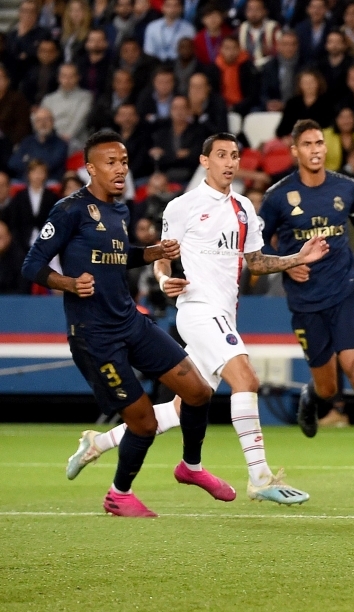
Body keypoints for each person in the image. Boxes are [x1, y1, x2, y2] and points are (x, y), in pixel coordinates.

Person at [66, 132, 329, 504]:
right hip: (198, 310)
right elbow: (161, 255)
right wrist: (162, 278)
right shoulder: (182, 206)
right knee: (246, 378)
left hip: (224, 315)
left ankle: (99, 442)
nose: (230, 162)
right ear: (205, 161)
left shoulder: (244, 209)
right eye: (221, 155)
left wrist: (297, 259)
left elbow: (255, 262)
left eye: (235, 155)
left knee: (181, 407)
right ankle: (261, 478)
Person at [21, 130, 218, 518]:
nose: (120, 169)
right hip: (95, 336)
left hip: (130, 322)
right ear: (90, 168)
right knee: (143, 423)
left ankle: (191, 468)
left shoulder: (120, 209)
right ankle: (118, 494)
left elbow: (117, 255)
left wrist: (152, 253)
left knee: (198, 391)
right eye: (110, 162)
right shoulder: (69, 210)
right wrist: (68, 283)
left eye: (124, 161)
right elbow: (32, 264)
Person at [258, 119, 354, 487]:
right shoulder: (278, 196)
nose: (315, 149)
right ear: (295, 150)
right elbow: (257, 247)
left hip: (346, 291)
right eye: (307, 143)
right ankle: (313, 393)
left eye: (320, 143)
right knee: (329, 388)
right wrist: (287, 266)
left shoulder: (346, 188)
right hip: (307, 301)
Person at [3, 159, 59, 253]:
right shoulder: (19, 197)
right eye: (34, 172)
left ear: (46, 175)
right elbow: (14, 221)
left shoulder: (52, 197)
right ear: (28, 174)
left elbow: (56, 220)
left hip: (47, 242)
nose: (37, 176)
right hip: (22, 242)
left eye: (41, 172)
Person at [150, 96, 207, 184]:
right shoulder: (161, 133)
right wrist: (178, 155)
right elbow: (157, 159)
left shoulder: (197, 132)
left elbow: (194, 157)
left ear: (189, 111)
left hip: (189, 177)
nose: (179, 112)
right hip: (164, 176)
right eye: (175, 108)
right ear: (170, 111)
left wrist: (166, 154)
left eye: (182, 108)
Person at [41, 63, 94, 151]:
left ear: (78, 77)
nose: (67, 80)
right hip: (52, 141)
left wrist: (65, 139)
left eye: (71, 76)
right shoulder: (48, 99)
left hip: (76, 143)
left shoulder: (86, 97)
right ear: (58, 78)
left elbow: (79, 121)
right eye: (64, 76)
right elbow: (42, 121)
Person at [9, 108, 69, 182]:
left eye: (46, 119)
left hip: (49, 182)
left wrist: (27, 160)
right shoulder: (27, 141)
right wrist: (37, 162)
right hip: (24, 182)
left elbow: (50, 165)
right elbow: (13, 163)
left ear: (52, 122)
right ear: (34, 124)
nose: (43, 123)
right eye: (39, 120)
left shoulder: (60, 144)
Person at [275, 69, 334, 139]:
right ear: (300, 85)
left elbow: (330, 127)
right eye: (305, 83)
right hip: (295, 140)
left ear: (318, 83)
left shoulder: (327, 102)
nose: (309, 86)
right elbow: (282, 129)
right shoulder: (292, 103)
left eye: (311, 82)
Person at [215, 36, 260, 116]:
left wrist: (235, 107)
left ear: (239, 49)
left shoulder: (248, 67)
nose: (230, 52)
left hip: (244, 108)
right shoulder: (215, 69)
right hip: (221, 108)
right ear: (221, 49)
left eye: (234, 48)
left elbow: (253, 94)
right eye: (227, 48)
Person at [238, 0, 280, 68]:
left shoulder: (273, 28)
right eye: (250, 9)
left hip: (268, 67)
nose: (253, 13)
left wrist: (269, 52)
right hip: (247, 68)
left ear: (265, 11)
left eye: (257, 9)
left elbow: (279, 51)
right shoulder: (242, 28)